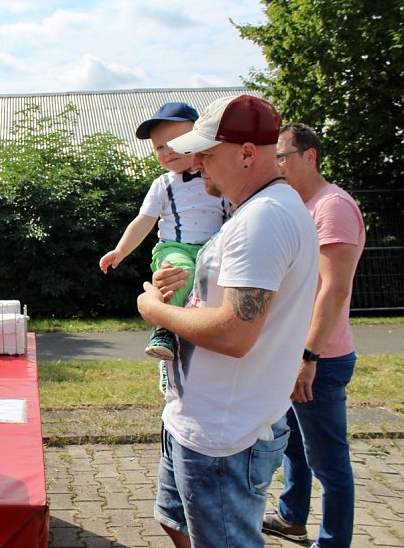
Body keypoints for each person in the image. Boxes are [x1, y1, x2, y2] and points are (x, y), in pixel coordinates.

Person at [136, 95, 320, 548]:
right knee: (175, 522)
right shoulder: (249, 212)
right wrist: (171, 286)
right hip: (200, 419)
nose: (196, 163)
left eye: (207, 152)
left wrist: (153, 309)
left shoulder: (263, 219)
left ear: (246, 153)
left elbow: (235, 333)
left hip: (225, 434)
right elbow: (218, 299)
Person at [262, 123, 365, 548]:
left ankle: (333, 541)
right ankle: (291, 517)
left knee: (328, 461)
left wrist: (308, 356)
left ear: (310, 156)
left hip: (319, 357)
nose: (277, 165)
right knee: (293, 446)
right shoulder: (299, 206)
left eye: (282, 156)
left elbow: (334, 289)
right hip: (294, 354)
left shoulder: (332, 206)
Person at [99, 102, 229, 394]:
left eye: (174, 143)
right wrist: (120, 251)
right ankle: (164, 332)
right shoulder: (163, 185)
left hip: (213, 248)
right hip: (175, 248)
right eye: (159, 147)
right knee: (180, 274)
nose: (166, 151)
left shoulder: (219, 178)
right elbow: (143, 222)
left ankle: (185, 369)